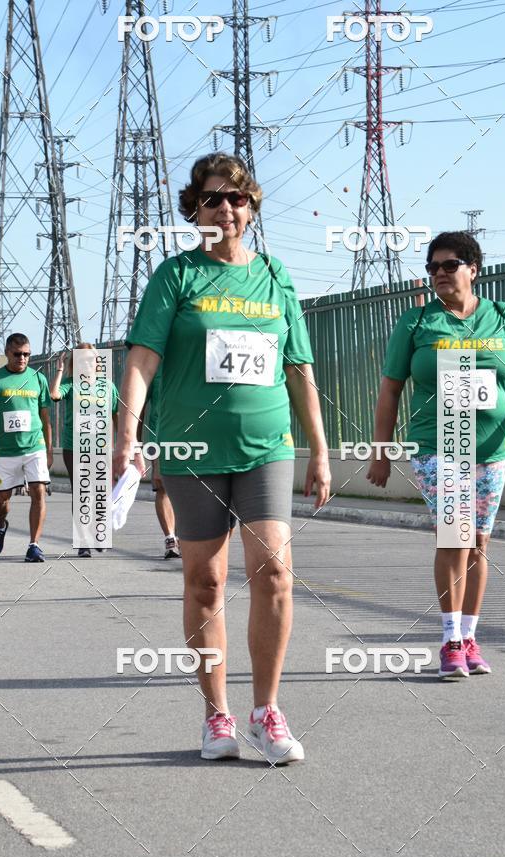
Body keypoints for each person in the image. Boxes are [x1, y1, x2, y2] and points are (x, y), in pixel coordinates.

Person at [114, 152, 331, 764]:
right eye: (212, 199)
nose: (226, 209)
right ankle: (217, 717)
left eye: (237, 199)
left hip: (266, 447)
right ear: (195, 210)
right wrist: (127, 431)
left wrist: (319, 449)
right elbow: (142, 359)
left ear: (252, 207)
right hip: (192, 452)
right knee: (206, 582)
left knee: (275, 572)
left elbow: (300, 368)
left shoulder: (276, 278)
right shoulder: (176, 277)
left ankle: (267, 712)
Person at [368, 231, 505, 679]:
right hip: (439, 446)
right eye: (432, 267)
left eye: (448, 265)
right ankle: (450, 640)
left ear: (473, 269)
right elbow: (390, 390)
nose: (438, 274)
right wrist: (380, 449)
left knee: (478, 544)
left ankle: (470, 637)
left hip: (493, 448)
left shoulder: (504, 316)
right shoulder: (416, 323)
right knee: (454, 537)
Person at [0, 333, 52, 562]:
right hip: (5, 451)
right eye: (18, 354)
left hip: (34, 446)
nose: (23, 358)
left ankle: (34, 545)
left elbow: (45, 418)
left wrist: (48, 449)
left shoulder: (38, 379)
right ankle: (0, 525)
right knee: (1, 500)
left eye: (27, 354)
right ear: (8, 353)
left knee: (38, 491)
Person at [49, 342, 119, 558]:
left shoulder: (108, 386)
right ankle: (82, 540)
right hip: (75, 448)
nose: (89, 363)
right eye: (83, 360)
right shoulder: (71, 385)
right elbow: (54, 395)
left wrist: (118, 446)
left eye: (93, 359)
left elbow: (116, 415)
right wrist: (60, 370)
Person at [140, 364, 181, 559]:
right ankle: (170, 538)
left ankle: (185, 536)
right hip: (160, 438)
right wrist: (136, 444)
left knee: (189, 489)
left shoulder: (192, 365)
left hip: (190, 437)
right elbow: (138, 407)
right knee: (162, 486)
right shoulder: (154, 368)